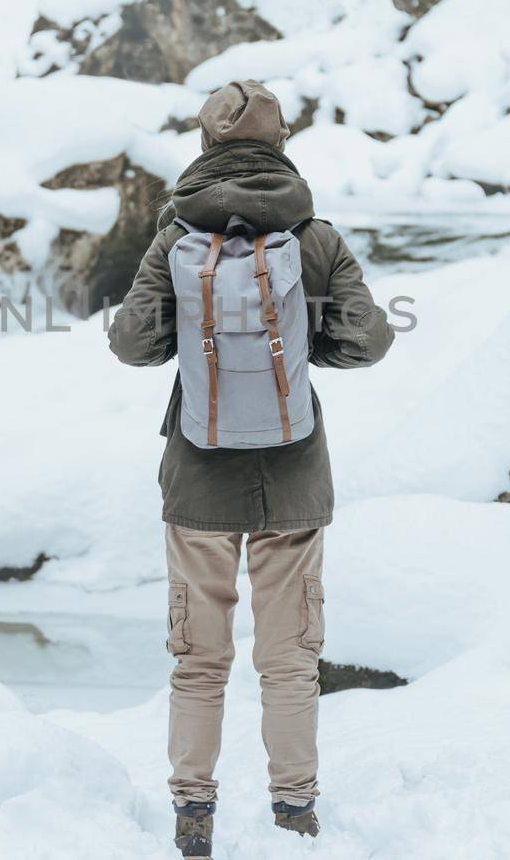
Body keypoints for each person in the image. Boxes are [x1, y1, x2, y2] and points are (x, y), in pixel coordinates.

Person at [107, 80, 395, 859]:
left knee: (199, 661)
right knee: (289, 659)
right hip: (296, 478)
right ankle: (294, 817)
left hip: (196, 478)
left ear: (205, 147)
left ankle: (192, 819)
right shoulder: (314, 237)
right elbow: (372, 339)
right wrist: (305, 351)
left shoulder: (176, 238)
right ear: (280, 145)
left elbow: (131, 343)